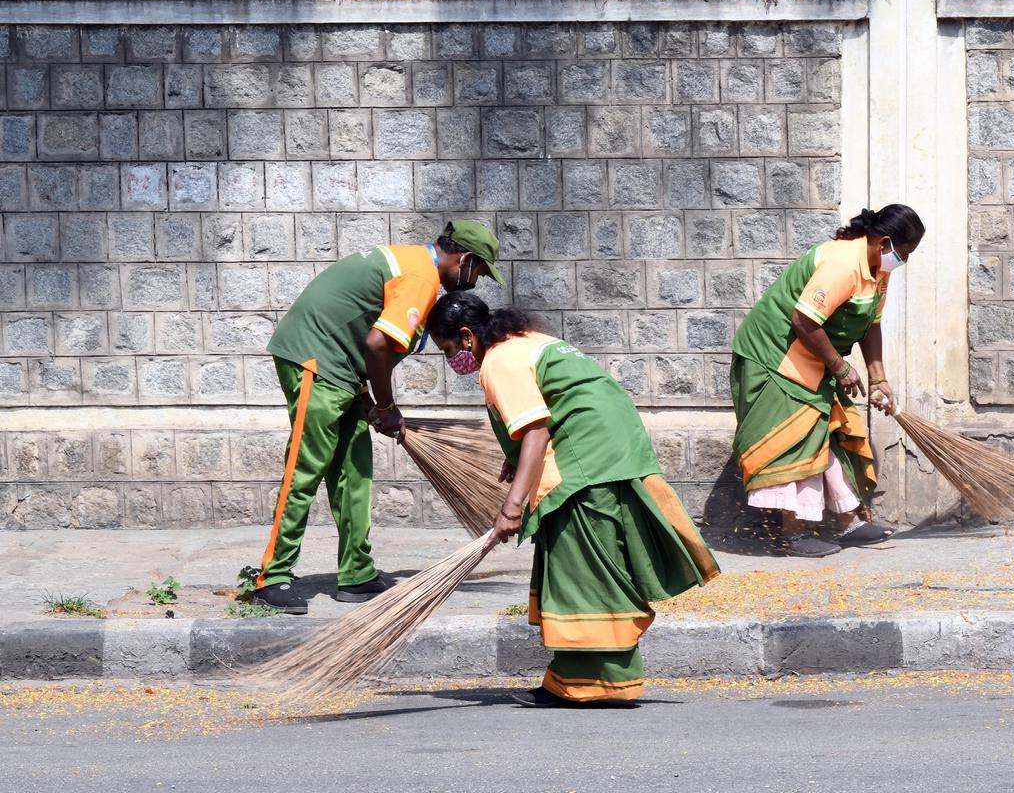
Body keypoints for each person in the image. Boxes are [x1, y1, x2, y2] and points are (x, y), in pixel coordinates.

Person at [426, 291, 720, 707]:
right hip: (612, 448)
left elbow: (536, 431)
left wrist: (511, 507)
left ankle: (593, 685)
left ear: (467, 336)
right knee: (593, 563)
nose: (453, 359)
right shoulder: (525, 340)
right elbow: (555, 405)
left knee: (583, 569)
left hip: (586, 460)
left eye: (449, 348)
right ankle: (575, 680)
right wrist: (517, 464)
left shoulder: (499, 361)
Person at [253, 221, 503, 615]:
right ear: (465, 259)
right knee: (306, 467)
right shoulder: (420, 277)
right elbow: (376, 344)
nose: (476, 280)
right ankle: (272, 576)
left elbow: (364, 341)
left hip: (339, 368)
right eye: (479, 271)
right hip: (312, 360)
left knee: (354, 471)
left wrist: (369, 400)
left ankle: (356, 573)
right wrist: (385, 407)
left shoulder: (413, 264)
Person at [730, 205, 925, 558]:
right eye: (904, 253)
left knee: (830, 430)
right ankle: (792, 533)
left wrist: (879, 378)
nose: (903, 261)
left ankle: (848, 521)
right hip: (775, 357)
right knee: (795, 440)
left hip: (813, 358)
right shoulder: (841, 265)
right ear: (883, 242)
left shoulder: (879, 269)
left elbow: (872, 325)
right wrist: (839, 366)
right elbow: (804, 321)